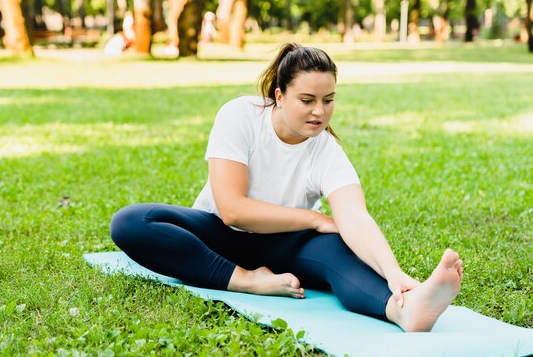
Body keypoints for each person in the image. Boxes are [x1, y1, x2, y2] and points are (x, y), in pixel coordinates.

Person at [110, 43, 463, 332]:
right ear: (279, 96)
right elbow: (233, 208)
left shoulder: (326, 151)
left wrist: (393, 272)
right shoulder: (240, 116)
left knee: (337, 250)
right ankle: (247, 280)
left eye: (329, 100)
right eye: (307, 100)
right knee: (131, 223)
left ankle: (403, 311)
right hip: (220, 235)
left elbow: (354, 217)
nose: (320, 112)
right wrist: (310, 218)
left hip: (284, 246)